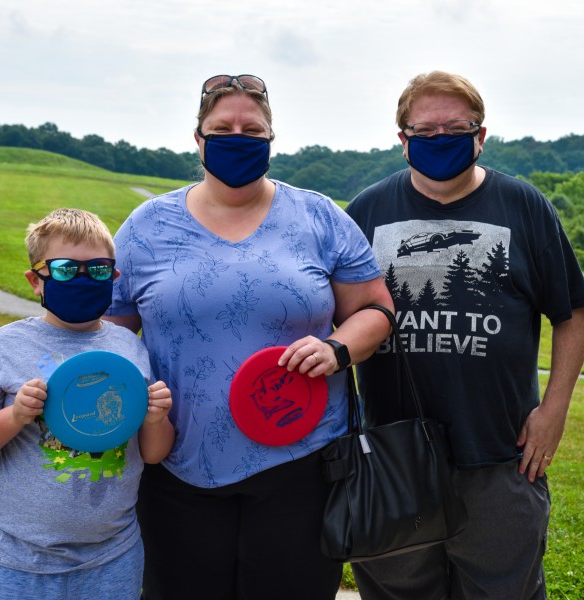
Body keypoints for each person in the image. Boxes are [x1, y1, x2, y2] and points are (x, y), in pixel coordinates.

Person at [104, 74, 393, 600]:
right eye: (222, 127)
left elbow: (376, 310)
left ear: (270, 140)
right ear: (199, 139)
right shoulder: (148, 226)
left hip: (303, 464)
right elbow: (108, 335)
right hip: (176, 463)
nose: (237, 136)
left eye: (251, 129)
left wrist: (337, 346)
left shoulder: (318, 216)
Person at [345, 71, 584, 600]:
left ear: (481, 135)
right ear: (402, 138)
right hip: (393, 457)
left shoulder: (524, 206)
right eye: (426, 130)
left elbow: (573, 311)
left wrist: (554, 412)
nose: (441, 140)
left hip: (501, 453)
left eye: (456, 128)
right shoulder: (367, 211)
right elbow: (331, 316)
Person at [0, 208, 175, 599]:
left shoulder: (129, 349)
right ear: (36, 280)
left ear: (114, 276)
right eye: (67, 269)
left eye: (98, 269)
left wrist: (156, 417)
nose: (84, 279)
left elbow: (153, 455)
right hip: (12, 564)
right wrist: (14, 415)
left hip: (111, 560)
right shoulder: (4, 347)